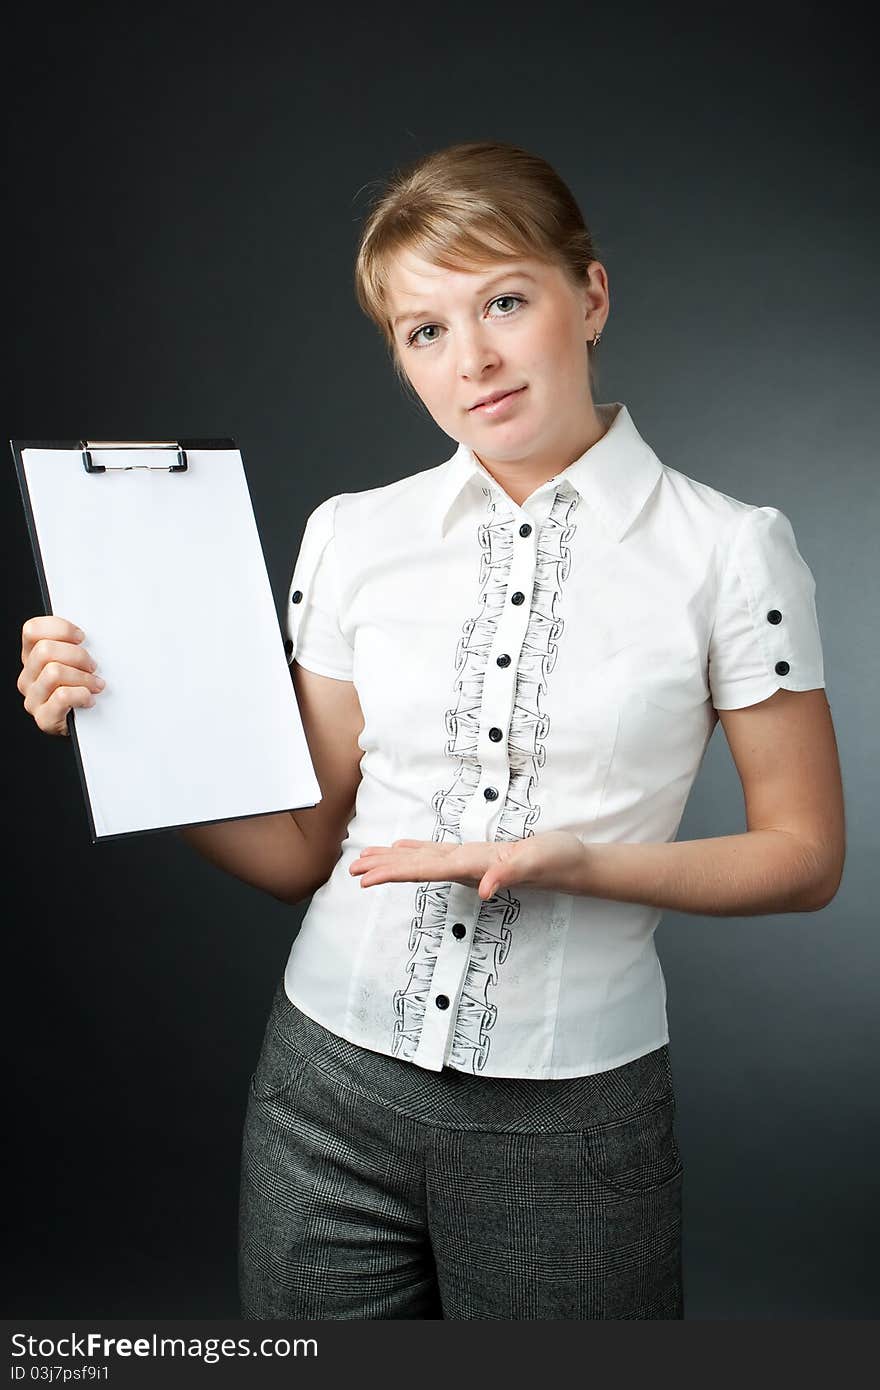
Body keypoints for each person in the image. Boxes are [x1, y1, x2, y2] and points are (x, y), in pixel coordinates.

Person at [17, 140, 845, 1320]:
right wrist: (122, 724)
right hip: (321, 1096)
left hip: (571, 1131)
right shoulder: (352, 534)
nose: (475, 361)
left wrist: (584, 866)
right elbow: (299, 849)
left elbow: (806, 856)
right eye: (425, 331)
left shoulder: (728, 549)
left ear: (591, 294)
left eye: (505, 300)